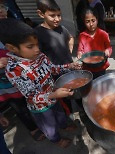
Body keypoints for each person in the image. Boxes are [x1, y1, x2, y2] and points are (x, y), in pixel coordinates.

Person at [0, 18, 81, 148]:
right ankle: (57, 140)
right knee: (50, 127)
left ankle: (64, 126)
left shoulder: (40, 56)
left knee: (60, 115)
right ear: (12, 48)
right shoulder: (14, 69)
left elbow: (53, 69)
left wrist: (69, 66)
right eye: (30, 46)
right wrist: (53, 95)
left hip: (54, 97)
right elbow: (31, 95)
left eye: (37, 44)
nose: (37, 49)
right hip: (40, 107)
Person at [0, 1, 45, 141]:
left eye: (2, 7)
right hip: (7, 85)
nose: (1, 11)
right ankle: (33, 128)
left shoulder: (13, 25)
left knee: (30, 102)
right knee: (20, 107)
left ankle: (41, 121)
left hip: (26, 77)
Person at [35, 0, 76, 114]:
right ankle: (69, 116)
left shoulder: (62, 29)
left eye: (59, 15)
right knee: (64, 98)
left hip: (70, 68)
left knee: (76, 91)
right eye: (52, 16)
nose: (57, 19)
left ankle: (81, 109)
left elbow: (70, 37)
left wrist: (70, 49)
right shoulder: (38, 34)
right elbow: (38, 57)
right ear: (41, 14)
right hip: (55, 74)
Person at [77, 7, 112, 79]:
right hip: (88, 68)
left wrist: (107, 51)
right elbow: (80, 49)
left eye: (93, 20)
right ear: (84, 22)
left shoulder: (103, 34)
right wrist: (79, 53)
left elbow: (109, 47)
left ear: (97, 20)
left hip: (101, 67)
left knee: (101, 84)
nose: (91, 24)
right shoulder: (82, 35)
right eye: (87, 21)